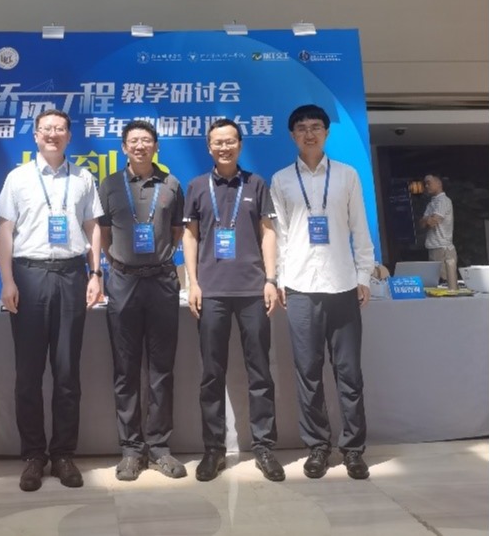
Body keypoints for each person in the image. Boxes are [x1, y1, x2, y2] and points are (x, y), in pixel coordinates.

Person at [0, 108, 104, 492]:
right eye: (46, 129)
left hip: (72, 275)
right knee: (28, 374)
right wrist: (7, 280)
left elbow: (92, 227)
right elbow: (4, 231)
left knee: (67, 372)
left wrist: (95, 273)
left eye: (59, 129)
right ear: (36, 136)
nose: (52, 135)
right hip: (29, 276)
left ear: (69, 136)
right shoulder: (18, 178)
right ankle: (33, 456)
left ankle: (63, 454)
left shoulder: (83, 178)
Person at [270, 104, 374, 480]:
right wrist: (280, 279)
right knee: (308, 373)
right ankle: (317, 447)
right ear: (292, 136)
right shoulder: (281, 180)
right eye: (301, 128)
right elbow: (280, 236)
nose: (309, 133)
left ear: (327, 133)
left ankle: (353, 449)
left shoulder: (347, 175)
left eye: (316, 127)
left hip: (343, 284)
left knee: (349, 374)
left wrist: (364, 274)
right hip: (299, 287)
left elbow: (359, 227)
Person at [182, 118, 284, 483]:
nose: (224, 147)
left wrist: (270, 279)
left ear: (240, 144)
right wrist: (193, 283)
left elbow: (268, 232)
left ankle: (264, 447)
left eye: (230, 141)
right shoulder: (197, 186)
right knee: (212, 374)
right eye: (217, 142)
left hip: (253, 290)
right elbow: (190, 237)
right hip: (211, 292)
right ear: (209, 147)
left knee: (260, 372)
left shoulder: (256, 183)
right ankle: (213, 450)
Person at [98, 120, 186, 481]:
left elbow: (177, 231)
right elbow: (103, 234)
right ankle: (131, 450)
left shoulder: (172, 184)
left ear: (156, 146)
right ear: (124, 147)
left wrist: (157, 259)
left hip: (162, 281)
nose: (140, 146)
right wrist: (120, 263)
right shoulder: (109, 185)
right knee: (126, 369)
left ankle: (160, 447)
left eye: (146, 140)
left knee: (161, 368)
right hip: (123, 282)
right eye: (133, 141)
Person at [420, 174, 457, 289]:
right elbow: (421, 223)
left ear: (439, 183)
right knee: (435, 283)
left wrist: (428, 219)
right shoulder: (431, 203)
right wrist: (428, 219)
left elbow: (432, 222)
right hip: (433, 246)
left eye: (429, 183)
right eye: (425, 184)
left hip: (443, 247)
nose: (426, 186)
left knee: (446, 282)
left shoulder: (443, 201)